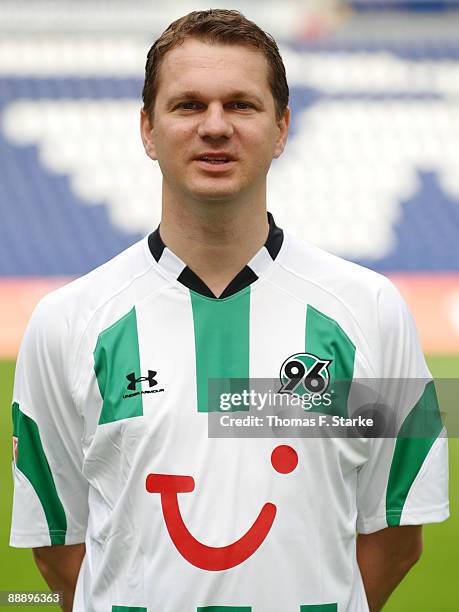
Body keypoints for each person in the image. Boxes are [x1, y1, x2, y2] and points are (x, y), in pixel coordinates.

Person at [10, 9, 448, 612]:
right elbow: (62, 546)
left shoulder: (371, 311)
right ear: (146, 128)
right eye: (188, 105)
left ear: (281, 128)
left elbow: (396, 531)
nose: (215, 126)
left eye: (241, 105)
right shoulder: (66, 323)